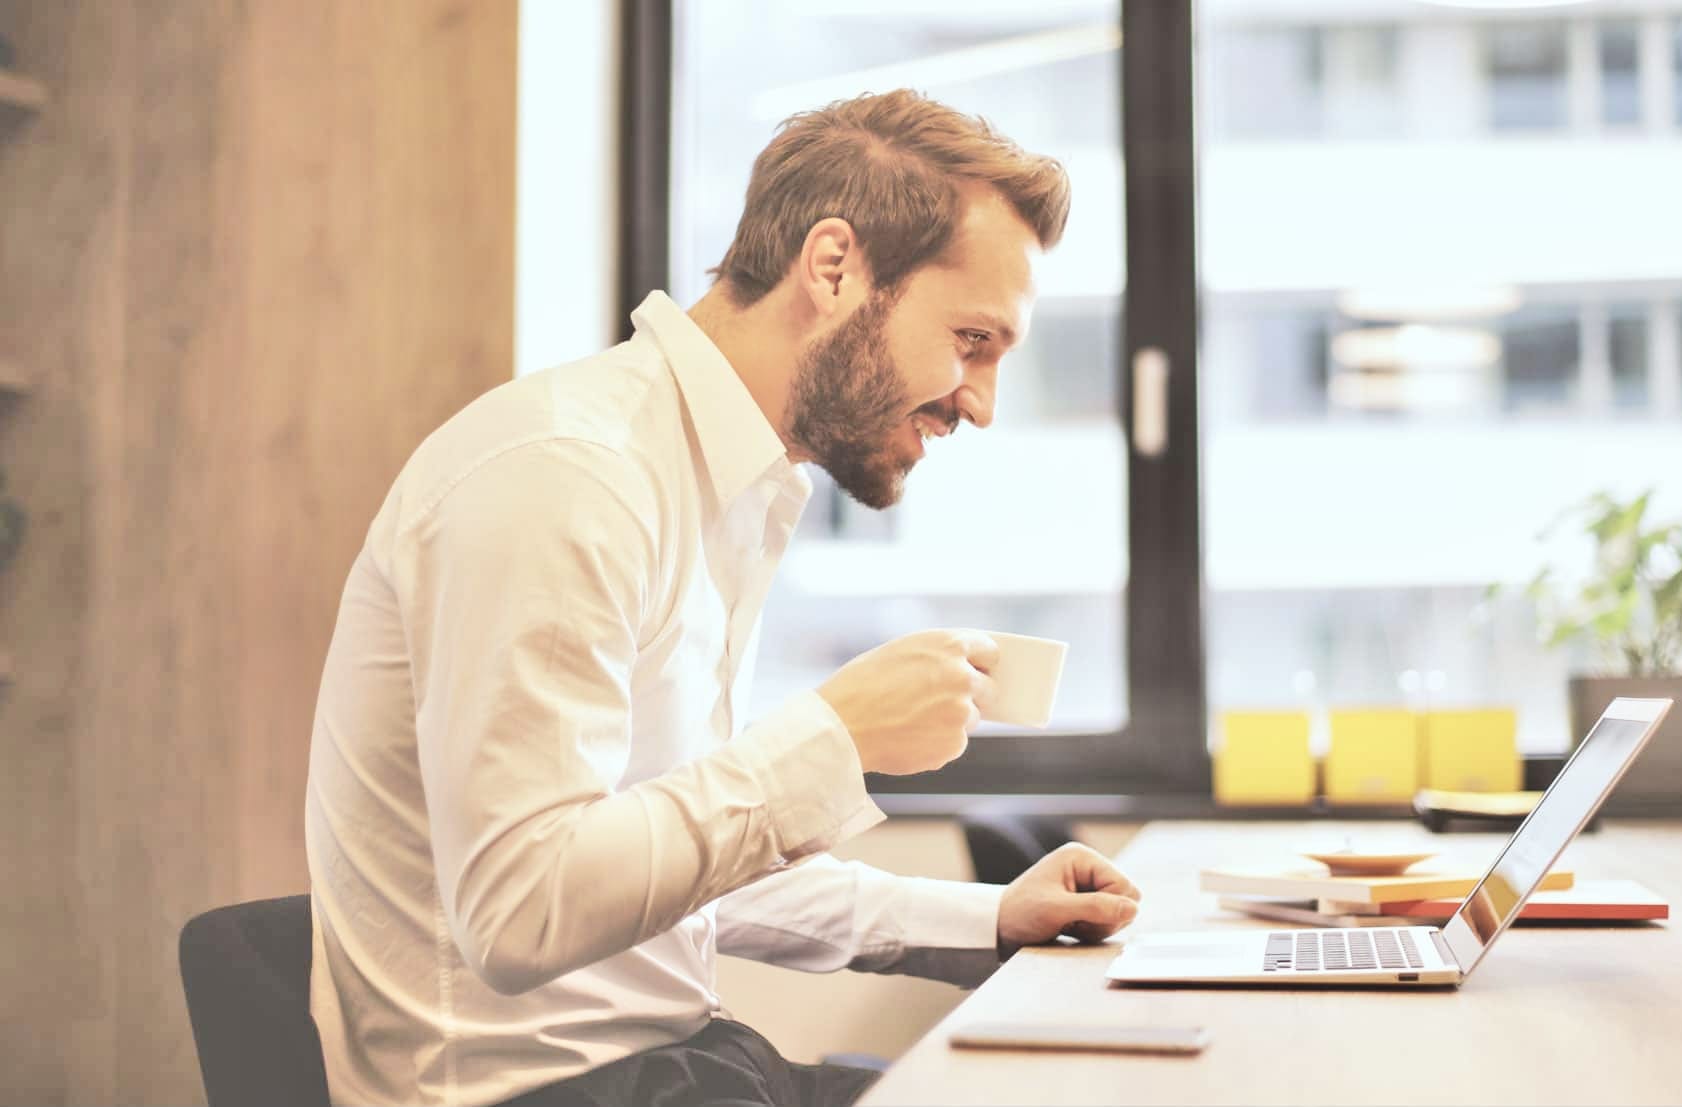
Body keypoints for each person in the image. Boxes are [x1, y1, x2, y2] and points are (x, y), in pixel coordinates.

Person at [304, 88, 1143, 1107]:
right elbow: (522, 911)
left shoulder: (732, 486)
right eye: (971, 341)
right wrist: (831, 739)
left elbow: (671, 871)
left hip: (672, 1069)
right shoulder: (567, 475)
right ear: (833, 269)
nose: (981, 402)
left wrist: (986, 919)